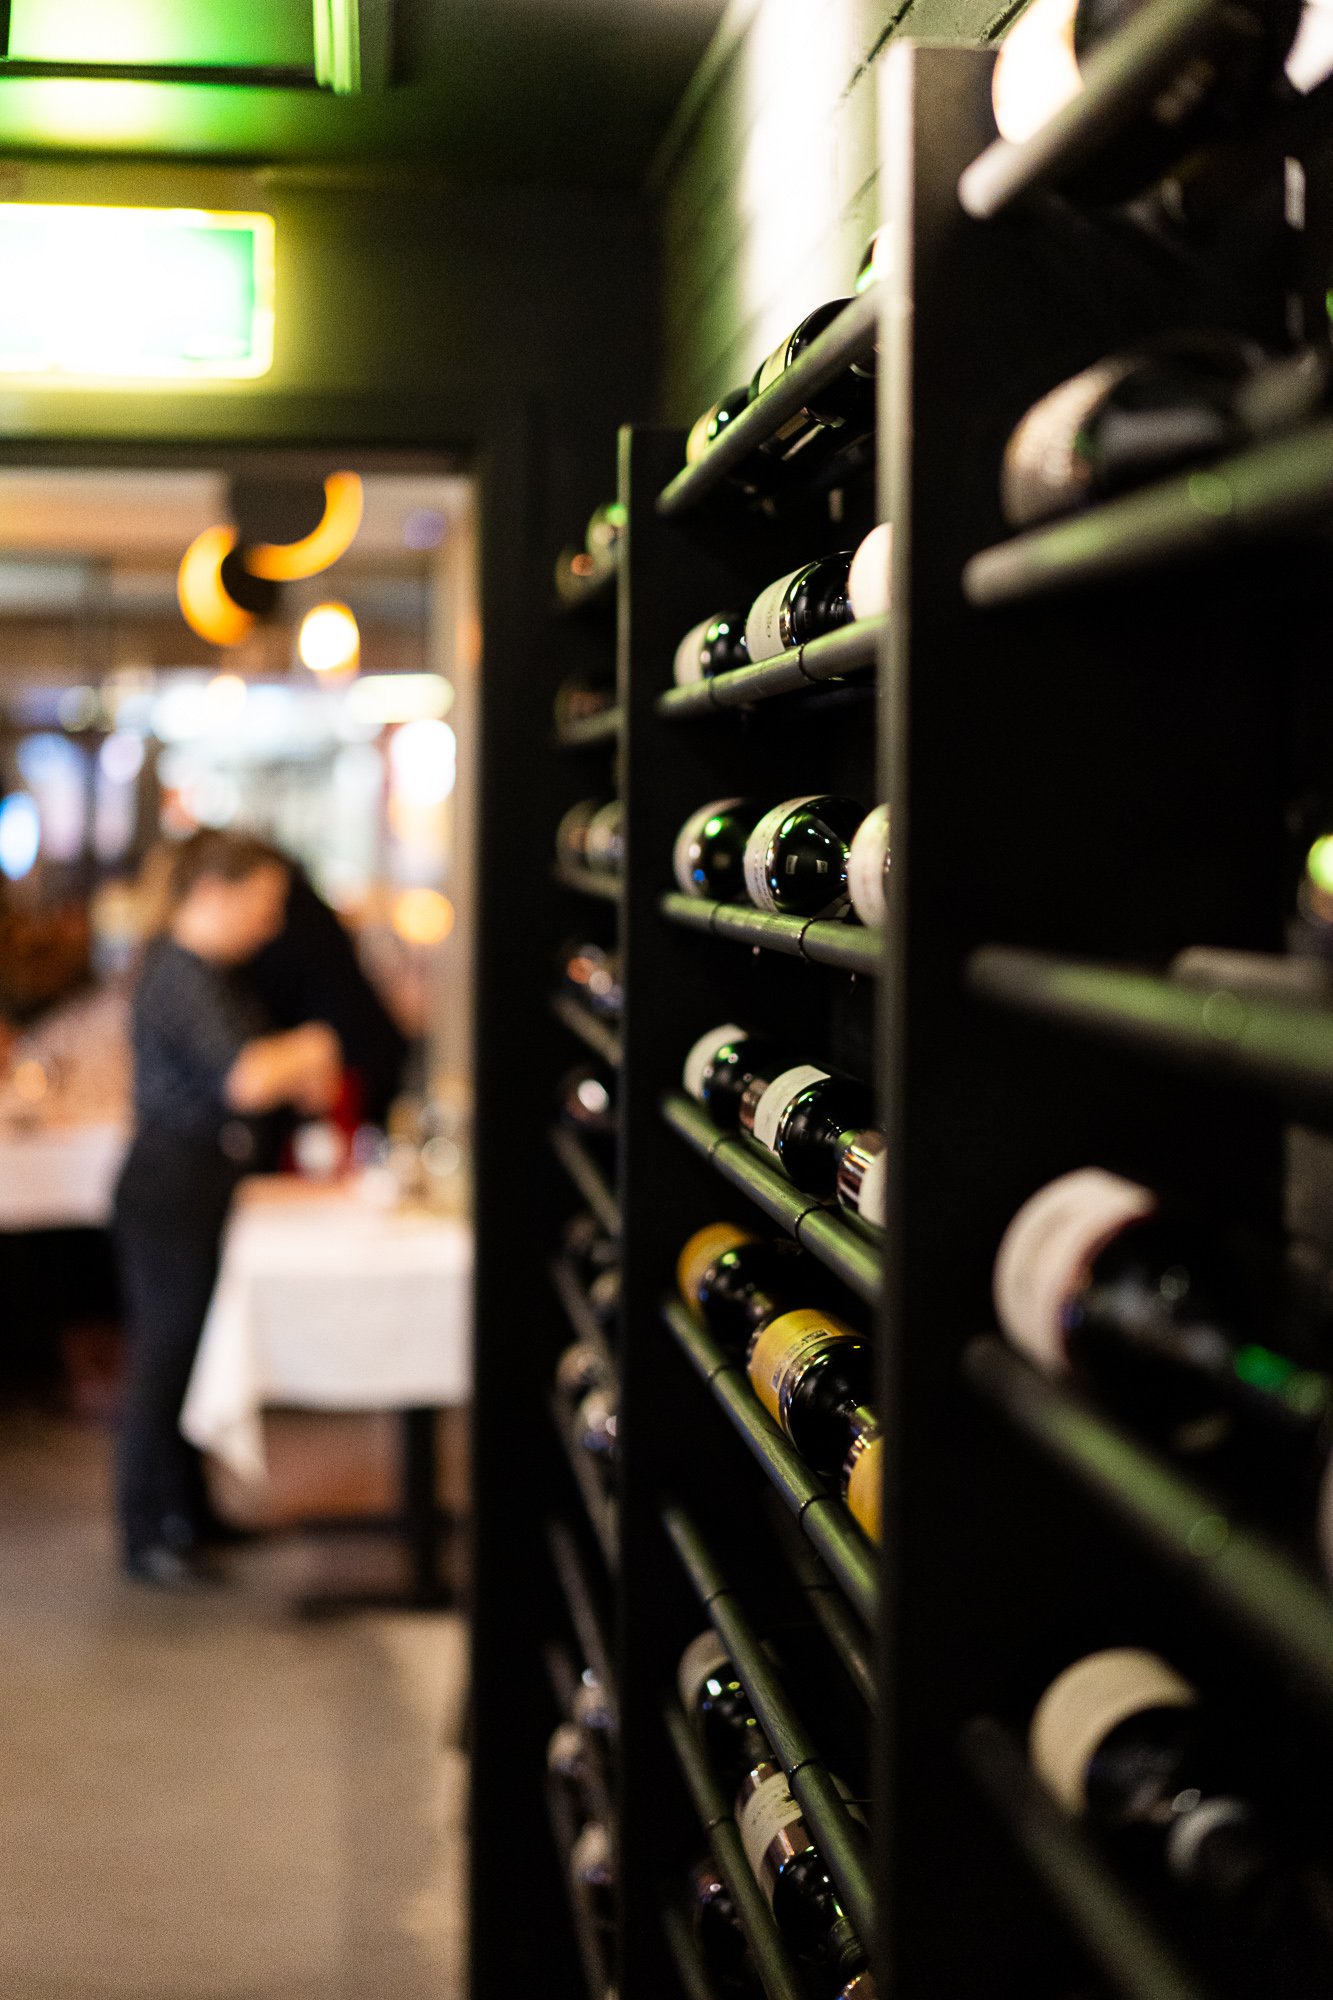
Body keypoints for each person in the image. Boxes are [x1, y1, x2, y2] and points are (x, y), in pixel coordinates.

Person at [113, 830, 342, 1587]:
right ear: (215, 893)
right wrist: (308, 1048)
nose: (271, 923)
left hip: (198, 1181)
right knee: (164, 1356)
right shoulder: (182, 972)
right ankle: (147, 1530)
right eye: (264, 904)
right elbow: (245, 1079)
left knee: (191, 1350)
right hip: (171, 1186)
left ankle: (191, 1512)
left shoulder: (208, 972)